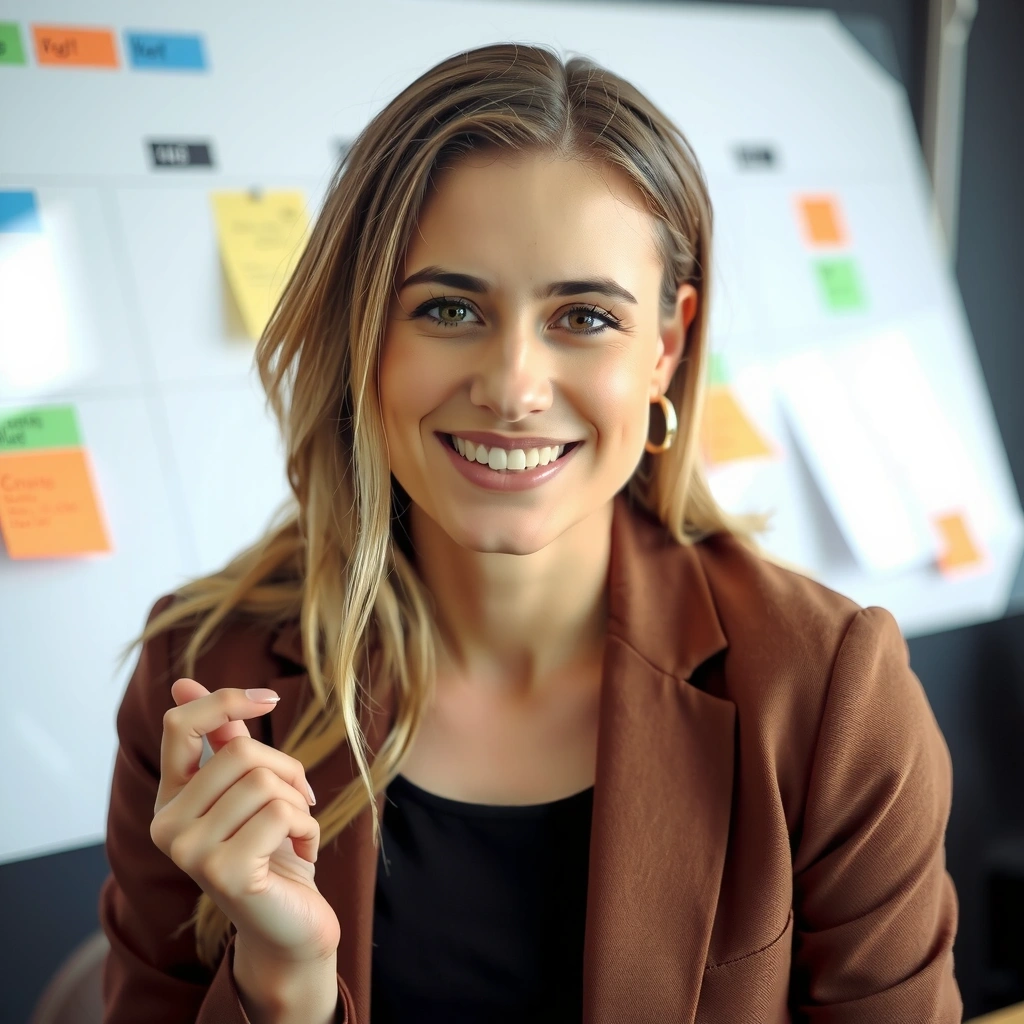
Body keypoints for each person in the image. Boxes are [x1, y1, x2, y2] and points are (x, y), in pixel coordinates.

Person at [98, 41, 962, 1024]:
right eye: (450, 307)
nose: (512, 387)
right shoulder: (206, 675)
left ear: (665, 348)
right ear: (367, 332)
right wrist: (282, 987)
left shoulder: (827, 690)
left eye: (585, 316)